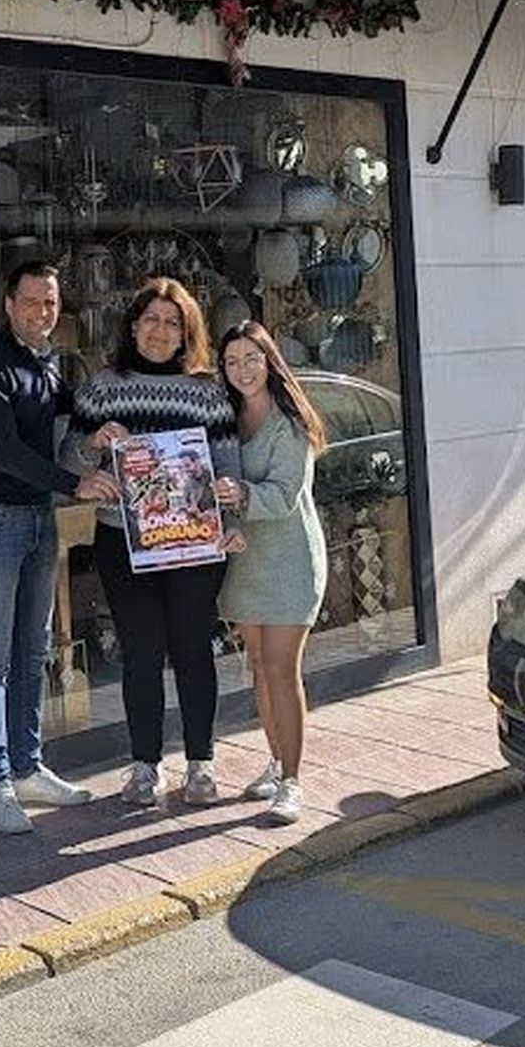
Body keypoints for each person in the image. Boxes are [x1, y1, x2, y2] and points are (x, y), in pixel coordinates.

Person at [0, 261, 121, 835]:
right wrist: (74, 484)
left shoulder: (48, 367)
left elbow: (76, 418)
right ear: (8, 304)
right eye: (31, 302)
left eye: (50, 303)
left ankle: (27, 768)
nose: (41, 312)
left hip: (37, 519)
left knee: (34, 651)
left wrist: (100, 435)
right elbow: (4, 452)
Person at [66, 279, 241, 807]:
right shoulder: (102, 388)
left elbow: (227, 459)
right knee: (141, 653)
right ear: (133, 326)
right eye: (151, 320)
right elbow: (70, 459)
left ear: (186, 331)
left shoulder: (208, 390)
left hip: (192, 543)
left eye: (172, 321)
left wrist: (230, 512)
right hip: (123, 541)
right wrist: (93, 448)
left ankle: (201, 765)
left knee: (192, 649)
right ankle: (145, 767)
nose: (160, 331)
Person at [213, 321, 329, 827]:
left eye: (251, 359)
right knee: (259, 665)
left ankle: (293, 782)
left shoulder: (291, 424)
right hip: (245, 560)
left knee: (283, 670)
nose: (242, 370)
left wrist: (238, 496)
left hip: (288, 561)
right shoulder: (226, 419)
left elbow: (283, 496)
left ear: (270, 361)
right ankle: (277, 761)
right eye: (232, 361)